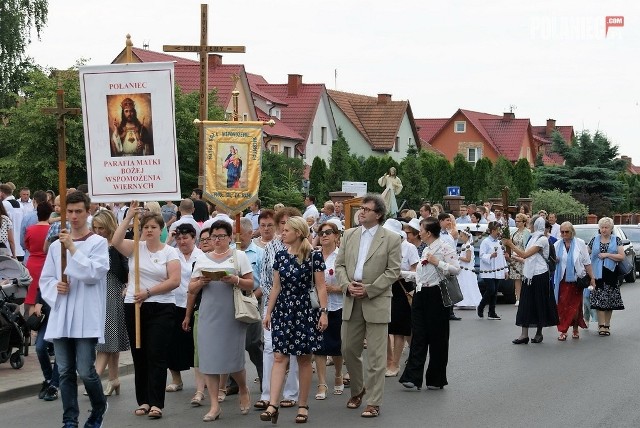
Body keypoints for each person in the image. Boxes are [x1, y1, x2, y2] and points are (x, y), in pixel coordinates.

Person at [39, 191, 109, 427]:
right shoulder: (55, 246)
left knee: (86, 371)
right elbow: (45, 278)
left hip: (86, 314)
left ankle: (99, 407)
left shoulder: (98, 243)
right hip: (62, 313)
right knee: (66, 372)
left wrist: (72, 248)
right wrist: (54, 287)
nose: (74, 216)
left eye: (79, 211)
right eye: (70, 211)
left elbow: (94, 274)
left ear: (88, 212)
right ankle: (70, 419)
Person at [112, 202, 180, 419]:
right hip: (135, 305)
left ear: (161, 230)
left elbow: (175, 280)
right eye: (146, 227)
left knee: (156, 354)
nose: (149, 230)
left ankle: (156, 403)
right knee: (139, 354)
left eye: (153, 227)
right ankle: (143, 400)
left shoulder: (169, 252)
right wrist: (128, 216)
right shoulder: (135, 249)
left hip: (161, 306)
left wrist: (149, 292)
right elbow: (115, 241)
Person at [335, 194, 401, 419]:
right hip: (351, 298)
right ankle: (358, 389)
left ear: (378, 215)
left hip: (376, 299)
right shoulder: (349, 235)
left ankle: (373, 401)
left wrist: (370, 289)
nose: (360, 212)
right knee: (348, 349)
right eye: (360, 208)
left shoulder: (391, 239)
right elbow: (340, 264)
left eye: (366, 209)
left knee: (375, 355)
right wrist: (346, 285)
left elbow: (393, 271)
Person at [261, 216, 328, 424]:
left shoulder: (313, 256)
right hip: (283, 309)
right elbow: (276, 287)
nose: (282, 233)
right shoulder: (280, 256)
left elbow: (321, 286)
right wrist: (268, 312)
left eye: (287, 230)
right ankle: (273, 404)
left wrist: (324, 312)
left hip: (305, 310)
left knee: (303, 359)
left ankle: (302, 405)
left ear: (298, 233)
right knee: (279, 356)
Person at [189, 220, 254, 422]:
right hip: (209, 313)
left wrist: (234, 279)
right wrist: (201, 281)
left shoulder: (239, 256)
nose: (217, 240)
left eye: (221, 236)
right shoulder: (202, 259)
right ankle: (214, 405)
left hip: (232, 313)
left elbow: (251, 283)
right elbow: (191, 289)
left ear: (229, 237)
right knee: (209, 361)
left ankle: (243, 388)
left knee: (233, 359)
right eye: (212, 237)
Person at [400, 217, 460, 391]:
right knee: (418, 334)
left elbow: (455, 269)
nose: (419, 232)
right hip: (421, 293)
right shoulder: (425, 249)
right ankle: (412, 377)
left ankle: (436, 378)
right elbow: (421, 274)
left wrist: (438, 262)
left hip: (437, 295)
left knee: (438, 337)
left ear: (428, 232)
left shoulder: (444, 247)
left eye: (421, 229)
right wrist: (403, 274)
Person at [255, 207, 302, 411]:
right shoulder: (271, 248)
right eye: (282, 223)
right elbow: (266, 281)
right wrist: (274, 303)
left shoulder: (305, 249)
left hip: (297, 307)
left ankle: (291, 393)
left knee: (293, 350)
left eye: (289, 223)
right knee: (270, 349)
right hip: (273, 307)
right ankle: (267, 393)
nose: (285, 227)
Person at [91, 210, 130, 396]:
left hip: (112, 289)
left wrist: (128, 285)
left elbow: (126, 267)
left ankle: (95, 377)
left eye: (102, 228)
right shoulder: (91, 243)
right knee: (110, 335)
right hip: (96, 292)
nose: (98, 232)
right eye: (95, 228)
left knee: (108, 333)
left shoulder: (115, 245)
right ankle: (113, 379)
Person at [506, 215, 559, 344]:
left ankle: (539, 332)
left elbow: (526, 254)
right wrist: (513, 257)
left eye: (531, 223)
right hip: (529, 275)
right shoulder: (531, 238)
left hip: (540, 275)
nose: (530, 225)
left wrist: (511, 245)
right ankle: (524, 335)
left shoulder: (542, 240)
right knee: (526, 303)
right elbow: (526, 259)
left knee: (539, 304)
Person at [166, 223, 203, 393]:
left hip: (195, 305)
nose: (182, 241)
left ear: (194, 238)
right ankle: (176, 380)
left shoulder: (201, 256)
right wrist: (168, 239)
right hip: (174, 303)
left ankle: (201, 384)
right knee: (172, 343)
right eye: (179, 238)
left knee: (197, 345)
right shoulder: (172, 255)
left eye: (185, 238)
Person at [313, 221, 345, 400]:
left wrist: (334, 288)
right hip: (318, 306)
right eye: (321, 232)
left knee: (336, 345)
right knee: (319, 346)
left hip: (337, 305)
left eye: (328, 232)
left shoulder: (342, 256)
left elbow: (350, 282)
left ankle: (339, 375)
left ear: (336, 235)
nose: (324, 235)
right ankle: (322, 383)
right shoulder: (314, 256)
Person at [182, 228, 214, 407]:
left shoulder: (229, 260)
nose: (206, 242)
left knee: (219, 350)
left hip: (222, 313)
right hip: (201, 310)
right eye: (202, 240)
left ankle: (222, 388)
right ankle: (200, 391)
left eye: (209, 239)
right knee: (198, 353)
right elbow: (191, 291)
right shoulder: (198, 263)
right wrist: (187, 315)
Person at [385, 218, 419, 377]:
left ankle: (395, 363)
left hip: (402, 289)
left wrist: (400, 274)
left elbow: (415, 273)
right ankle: (387, 361)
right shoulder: (382, 247)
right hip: (385, 287)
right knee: (384, 328)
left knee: (400, 329)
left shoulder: (409, 248)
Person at [553, 222, 596, 340]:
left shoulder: (580, 243)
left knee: (575, 306)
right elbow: (551, 261)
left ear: (572, 231)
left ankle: (575, 329)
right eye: (562, 232)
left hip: (576, 280)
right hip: (562, 280)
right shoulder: (557, 245)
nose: (564, 234)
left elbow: (587, 262)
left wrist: (592, 277)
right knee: (562, 306)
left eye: (567, 231)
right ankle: (563, 330)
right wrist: (554, 260)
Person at [587, 217, 625, 336]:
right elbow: (586, 252)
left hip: (611, 273)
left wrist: (607, 255)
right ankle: (601, 325)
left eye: (606, 227)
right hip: (597, 273)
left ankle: (607, 324)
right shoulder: (594, 239)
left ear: (611, 228)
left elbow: (621, 256)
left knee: (610, 300)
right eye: (602, 227)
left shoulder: (616, 239)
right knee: (599, 300)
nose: (604, 230)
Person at [24, 204, 52, 315]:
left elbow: (26, 245)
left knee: (31, 296)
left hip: (33, 263)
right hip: (47, 263)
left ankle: (32, 325)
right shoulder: (52, 228)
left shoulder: (30, 229)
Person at [477, 222, 506, 320]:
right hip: (488, 270)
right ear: (493, 231)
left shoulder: (499, 242)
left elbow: (502, 257)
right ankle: (481, 306)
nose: (499, 232)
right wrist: (490, 256)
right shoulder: (485, 242)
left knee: (495, 292)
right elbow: (482, 255)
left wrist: (505, 269)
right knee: (491, 289)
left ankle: (492, 312)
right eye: (498, 230)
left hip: (497, 270)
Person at [455, 228, 482, 308]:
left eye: (462, 236)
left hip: (467, 268)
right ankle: (462, 301)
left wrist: (459, 257)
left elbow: (468, 259)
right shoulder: (464, 245)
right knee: (463, 284)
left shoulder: (468, 246)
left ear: (467, 236)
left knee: (468, 284)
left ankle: (469, 301)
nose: (460, 237)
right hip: (463, 268)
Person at [510, 213, 530, 307]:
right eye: (516, 221)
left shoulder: (527, 232)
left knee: (524, 278)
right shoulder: (515, 232)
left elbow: (528, 246)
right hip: (515, 257)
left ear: (524, 222)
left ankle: (526, 298)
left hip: (523, 256)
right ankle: (518, 298)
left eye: (519, 221)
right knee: (517, 279)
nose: (517, 223)